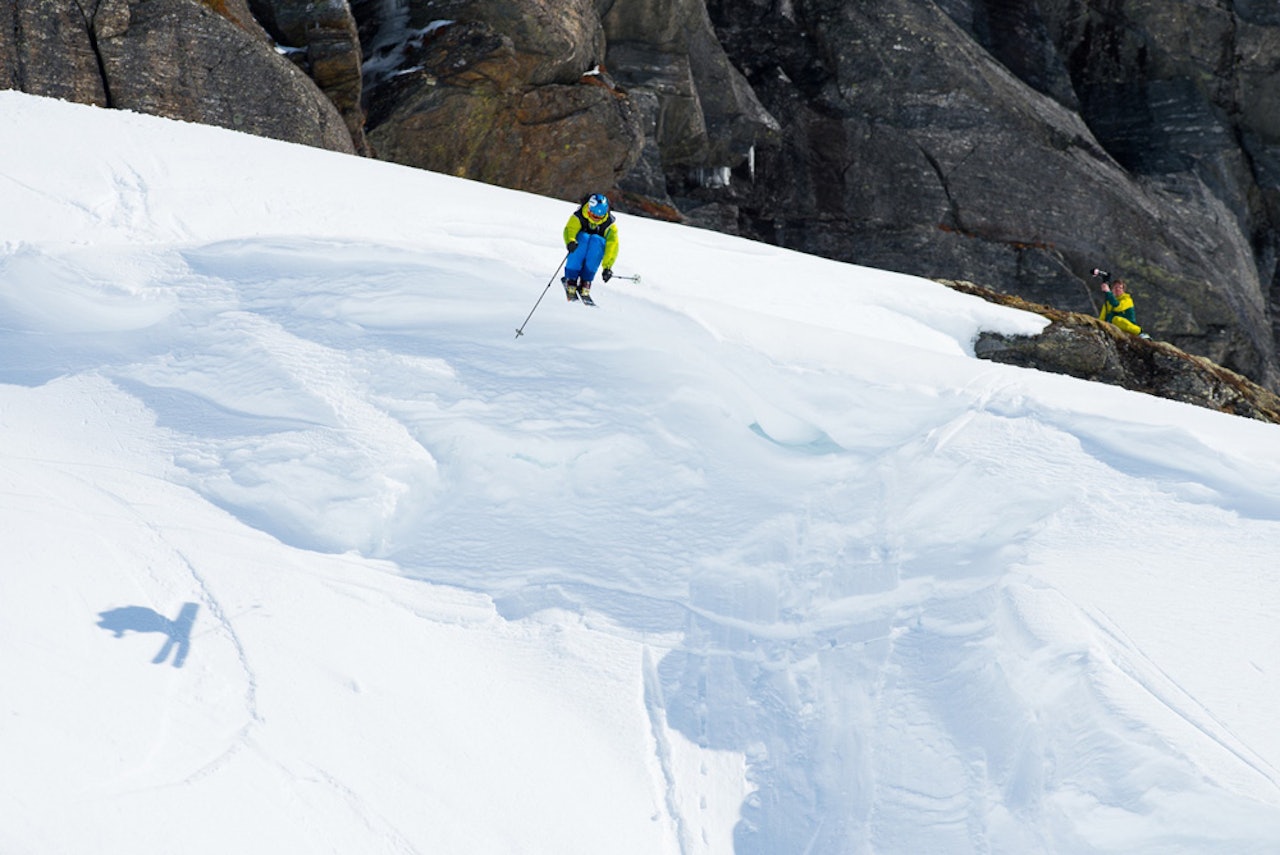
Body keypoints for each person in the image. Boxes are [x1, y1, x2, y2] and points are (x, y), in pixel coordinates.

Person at [562, 193, 619, 306]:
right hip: (580, 245)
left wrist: (607, 267)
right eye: (593, 215)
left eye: (599, 217)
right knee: (583, 238)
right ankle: (571, 278)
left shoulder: (609, 226)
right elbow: (570, 229)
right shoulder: (579, 216)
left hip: (595, 247)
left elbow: (612, 246)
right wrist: (570, 241)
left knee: (597, 241)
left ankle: (586, 280)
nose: (595, 219)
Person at [1093, 268, 1150, 339]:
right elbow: (1102, 318)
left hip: (1128, 328)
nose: (1117, 289)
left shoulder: (1127, 300)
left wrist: (1108, 292)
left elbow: (1117, 307)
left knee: (1116, 319)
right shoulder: (1108, 302)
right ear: (1112, 289)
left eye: (1120, 288)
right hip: (1114, 328)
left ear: (1123, 290)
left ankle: (1139, 333)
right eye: (1115, 287)